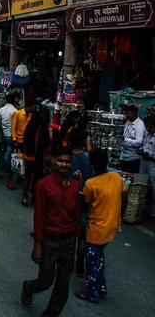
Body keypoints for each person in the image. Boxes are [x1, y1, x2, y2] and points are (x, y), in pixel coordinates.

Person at [21, 146, 81, 317]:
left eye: (67, 161)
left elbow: (76, 213)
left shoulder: (75, 186)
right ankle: (28, 287)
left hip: (69, 241)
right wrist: (38, 244)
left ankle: (51, 313)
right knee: (45, 281)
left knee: (63, 283)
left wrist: (76, 235)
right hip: (49, 241)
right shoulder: (43, 185)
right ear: (54, 160)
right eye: (60, 160)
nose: (63, 164)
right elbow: (39, 216)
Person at [74, 149, 128, 304]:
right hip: (111, 226)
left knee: (92, 261)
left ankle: (92, 292)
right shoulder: (116, 177)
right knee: (99, 257)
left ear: (91, 164)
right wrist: (120, 218)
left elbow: (84, 204)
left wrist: (80, 181)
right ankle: (101, 285)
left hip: (96, 229)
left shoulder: (91, 184)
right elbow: (124, 197)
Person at [67, 128, 91, 277]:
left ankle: (68, 261)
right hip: (84, 199)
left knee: (69, 231)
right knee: (82, 232)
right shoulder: (88, 158)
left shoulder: (67, 158)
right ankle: (79, 263)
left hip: (70, 198)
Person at [0, 93, 19, 189]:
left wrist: (2, 133)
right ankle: (9, 169)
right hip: (11, 135)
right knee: (11, 153)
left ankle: (5, 166)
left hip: (4, 134)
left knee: (7, 150)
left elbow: (1, 122)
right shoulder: (14, 111)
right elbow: (15, 125)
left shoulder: (1, 109)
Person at [120, 104, 144, 173]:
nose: (126, 115)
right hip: (123, 156)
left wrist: (125, 140)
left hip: (133, 159)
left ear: (133, 112)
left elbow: (139, 142)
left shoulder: (140, 125)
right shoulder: (128, 121)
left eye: (127, 113)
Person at [139, 115, 155, 217]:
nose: (148, 128)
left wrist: (150, 155)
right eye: (147, 126)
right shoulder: (147, 134)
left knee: (154, 187)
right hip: (143, 162)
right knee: (141, 184)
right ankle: (140, 207)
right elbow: (143, 145)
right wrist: (141, 150)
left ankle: (153, 211)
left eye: (150, 126)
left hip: (153, 164)